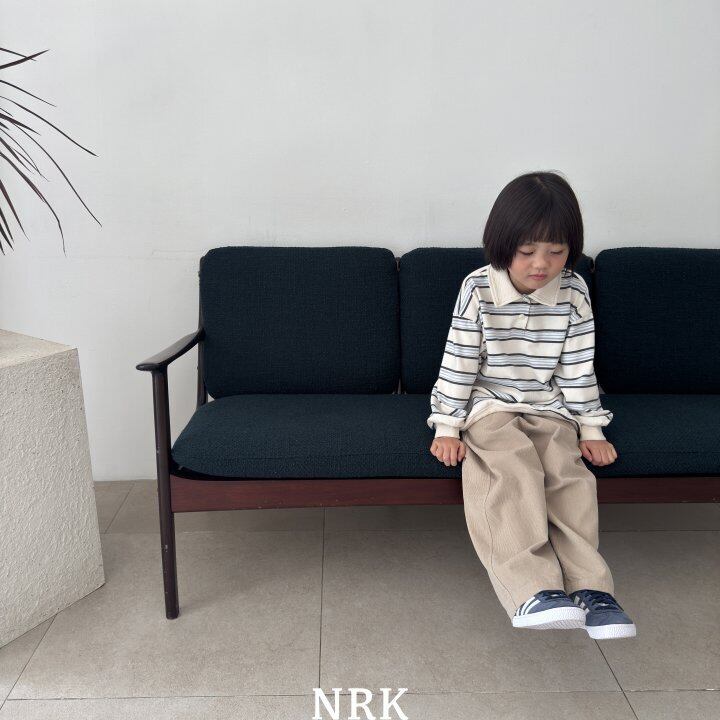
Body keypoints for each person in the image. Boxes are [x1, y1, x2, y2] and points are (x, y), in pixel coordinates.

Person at [427, 171, 636, 639]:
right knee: (513, 469)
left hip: (550, 406)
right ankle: (533, 589)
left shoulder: (574, 291)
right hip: (488, 406)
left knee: (568, 476)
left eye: (556, 252)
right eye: (527, 252)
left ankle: (592, 589)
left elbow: (578, 367)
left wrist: (591, 428)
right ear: (502, 245)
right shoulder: (478, 288)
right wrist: (447, 426)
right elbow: (459, 361)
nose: (541, 264)